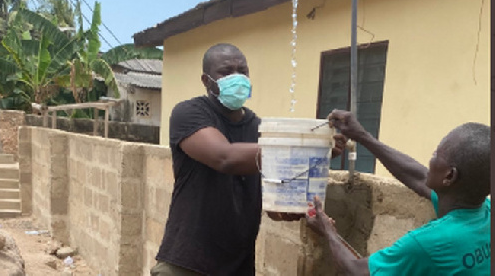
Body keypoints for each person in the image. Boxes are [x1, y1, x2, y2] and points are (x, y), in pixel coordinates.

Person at [151, 43, 346, 275]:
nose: (237, 77)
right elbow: (225, 157)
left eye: (242, 71)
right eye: (226, 71)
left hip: (238, 266)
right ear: (206, 80)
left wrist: (298, 205)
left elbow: (274, 208)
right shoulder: (189, 113)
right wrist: (307, 148)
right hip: (187, 264)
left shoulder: (260, 129)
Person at [306, 109, 491, 276]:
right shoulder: (484, 210)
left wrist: (328, 231)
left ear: (449, 176)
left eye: (436, 154)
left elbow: (356, 271)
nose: (430, 159)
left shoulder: (427, 244)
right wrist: (362, 136)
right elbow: (417, 176)